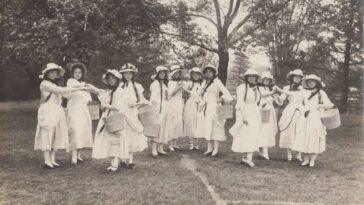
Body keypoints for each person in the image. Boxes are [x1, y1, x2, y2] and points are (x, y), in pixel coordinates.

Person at [35, 63, 88, 169]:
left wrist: (82, 90)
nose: (54, 74)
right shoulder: (45, 84)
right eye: (51, 72)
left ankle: (52, 159)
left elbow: (65, 94)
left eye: (55, 72)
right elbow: (61, 91)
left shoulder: (54, 84)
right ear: (47, 74)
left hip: (56, 110)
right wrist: (78, 87)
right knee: (48, 134)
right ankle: (47, 160)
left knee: (55, 134)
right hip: (48, 110)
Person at [292, 74, 334, 167]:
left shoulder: (321, 93)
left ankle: (312, 160)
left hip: (316, 118)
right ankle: (306, 159)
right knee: (304, 137)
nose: (311, 83)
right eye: (309, 81)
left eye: (313, 81)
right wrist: (301, 110)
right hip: (305, 118)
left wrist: (319, 106)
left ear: (316, 83)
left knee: (314, 137)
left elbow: (330, 105)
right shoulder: (304, 93)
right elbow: (297, 101)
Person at [92, 69, 129, 172]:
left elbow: (117, 107)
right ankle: (113, 161)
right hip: (107, 117)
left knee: (115, 140)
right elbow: (104, 102)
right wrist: (103, 107)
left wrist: (105, 105)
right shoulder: (108, 91)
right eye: (109, 79)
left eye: (113, 78)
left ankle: (115, 162)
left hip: (115, 118)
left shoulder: (119, 91)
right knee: (108, 140)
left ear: (117, 80)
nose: (111, 80)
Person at [198, 64, 233, 157]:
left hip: (216, 106)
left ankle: (216, 149)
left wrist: (221, 99)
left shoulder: (217, 82)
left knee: (216, 127)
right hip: (207, 107)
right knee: (208, 126)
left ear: (214, 73)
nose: (208, 73)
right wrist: (202, 100)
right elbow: (199, 95)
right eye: (207, 72)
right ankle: (209, 148)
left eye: (210, 72)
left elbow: (227, 93)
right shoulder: (204, 83)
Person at [230, 68, 262, 167]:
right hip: (245, 112)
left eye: (254, 76)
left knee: (253, 134)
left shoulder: (257, 88)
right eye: (250, 76)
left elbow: (258, 100)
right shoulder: (241, 87)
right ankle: (247, 158)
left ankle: (247, 158)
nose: (252, 78)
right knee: (245, 134)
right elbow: (240, 102)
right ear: (246, 77)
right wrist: (244, 116)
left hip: (254, 112)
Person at [119, 63, 149, 169]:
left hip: (132, 113)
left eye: (130, 74)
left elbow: (143, 100)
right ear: (122, 74)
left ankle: (131, 160)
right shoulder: (119, 86)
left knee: (132, 135)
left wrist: (136, 104)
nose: (127, 76)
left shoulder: (137, 86)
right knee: (122, 135)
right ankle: (122, 158)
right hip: (121, 113)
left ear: (133, 74)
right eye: (125, 74)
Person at [66, 62, 94, 165]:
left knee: (82, 131)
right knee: (75, 131)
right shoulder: (70, 82)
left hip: (83, 110)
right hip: (74, 109)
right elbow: (75, 88)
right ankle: (73, 157)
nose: (78, 74)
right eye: (76, 72)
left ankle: (78, 155)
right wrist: (86, 87)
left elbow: (88, 98)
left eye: (80, 72)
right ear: (72, 73)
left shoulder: (83, 83)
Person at [276, 69, 305, 162]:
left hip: (300, 110)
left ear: (301, 79)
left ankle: (298, 154)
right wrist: (276, 96)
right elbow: (281, 101)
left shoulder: (304, 88)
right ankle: (289, 153)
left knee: (300, 131)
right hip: (289, 110)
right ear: (292, 78)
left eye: (299, 77)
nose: (297, 78)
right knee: (288, 131)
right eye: (295, 76)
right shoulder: (286, 88)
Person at [257, 71, 279, 160]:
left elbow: (276, 100)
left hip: (270, 110)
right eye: (265, 79)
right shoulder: (259, 88)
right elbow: (261, 95)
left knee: (268, 130)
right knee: (262, 130)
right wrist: (272, 94)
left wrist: (275, 96)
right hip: (263, 110)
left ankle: (262, 152)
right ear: (262, 79)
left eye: (268, 79)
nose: (266, 81)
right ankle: (263, 152)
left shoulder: (270, 89)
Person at [149, 65, 170, 156]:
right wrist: (154, 111)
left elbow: (167, 97)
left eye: (164, 73)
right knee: (156, 128)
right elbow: (153, 98)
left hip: (165, 108)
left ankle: (160, 148)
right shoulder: (155, 84)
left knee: (164, 128)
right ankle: (154, 149)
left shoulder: (165, 84)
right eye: (160, 73)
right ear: (157, 74)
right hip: (157, 108)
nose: (162, 74)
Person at [183, 67, 204, 150]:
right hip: (191, 104)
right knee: (190, 122)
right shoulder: (189, 83)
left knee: (198, 122)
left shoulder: (202, 83)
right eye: (194, 74)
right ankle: (191, 143)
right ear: (191, 75)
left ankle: (196, 142)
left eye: (197, 74)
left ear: (200, 75)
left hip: (199, 103)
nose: (196, 76)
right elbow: (184, 90)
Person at [165, 65, 184, 151]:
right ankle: (170, 144)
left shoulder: (179, 82)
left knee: (178, 122)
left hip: (179, 103)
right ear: (172, 74)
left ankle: (175, 143)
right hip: (172, 103)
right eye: (175, 73)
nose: (177, 74)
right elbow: (170, 94)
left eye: (178, 73)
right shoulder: (170, 83)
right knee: (172, 123)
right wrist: (178, 87)